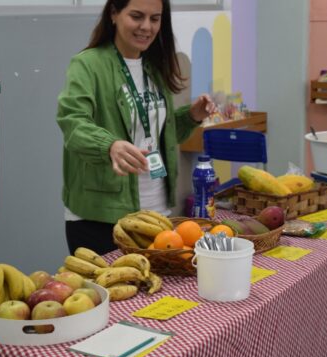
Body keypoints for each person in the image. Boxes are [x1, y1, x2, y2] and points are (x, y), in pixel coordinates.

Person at [57, 0, 215, 255]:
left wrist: (191, 117)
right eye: (137, 16)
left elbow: (158, 135)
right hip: (101, 218)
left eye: (155, 19)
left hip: (156, 213)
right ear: (114, 14)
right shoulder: (87, 64)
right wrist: (109, 145)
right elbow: (72, 122)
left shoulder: (154, 66)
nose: (146, 27)